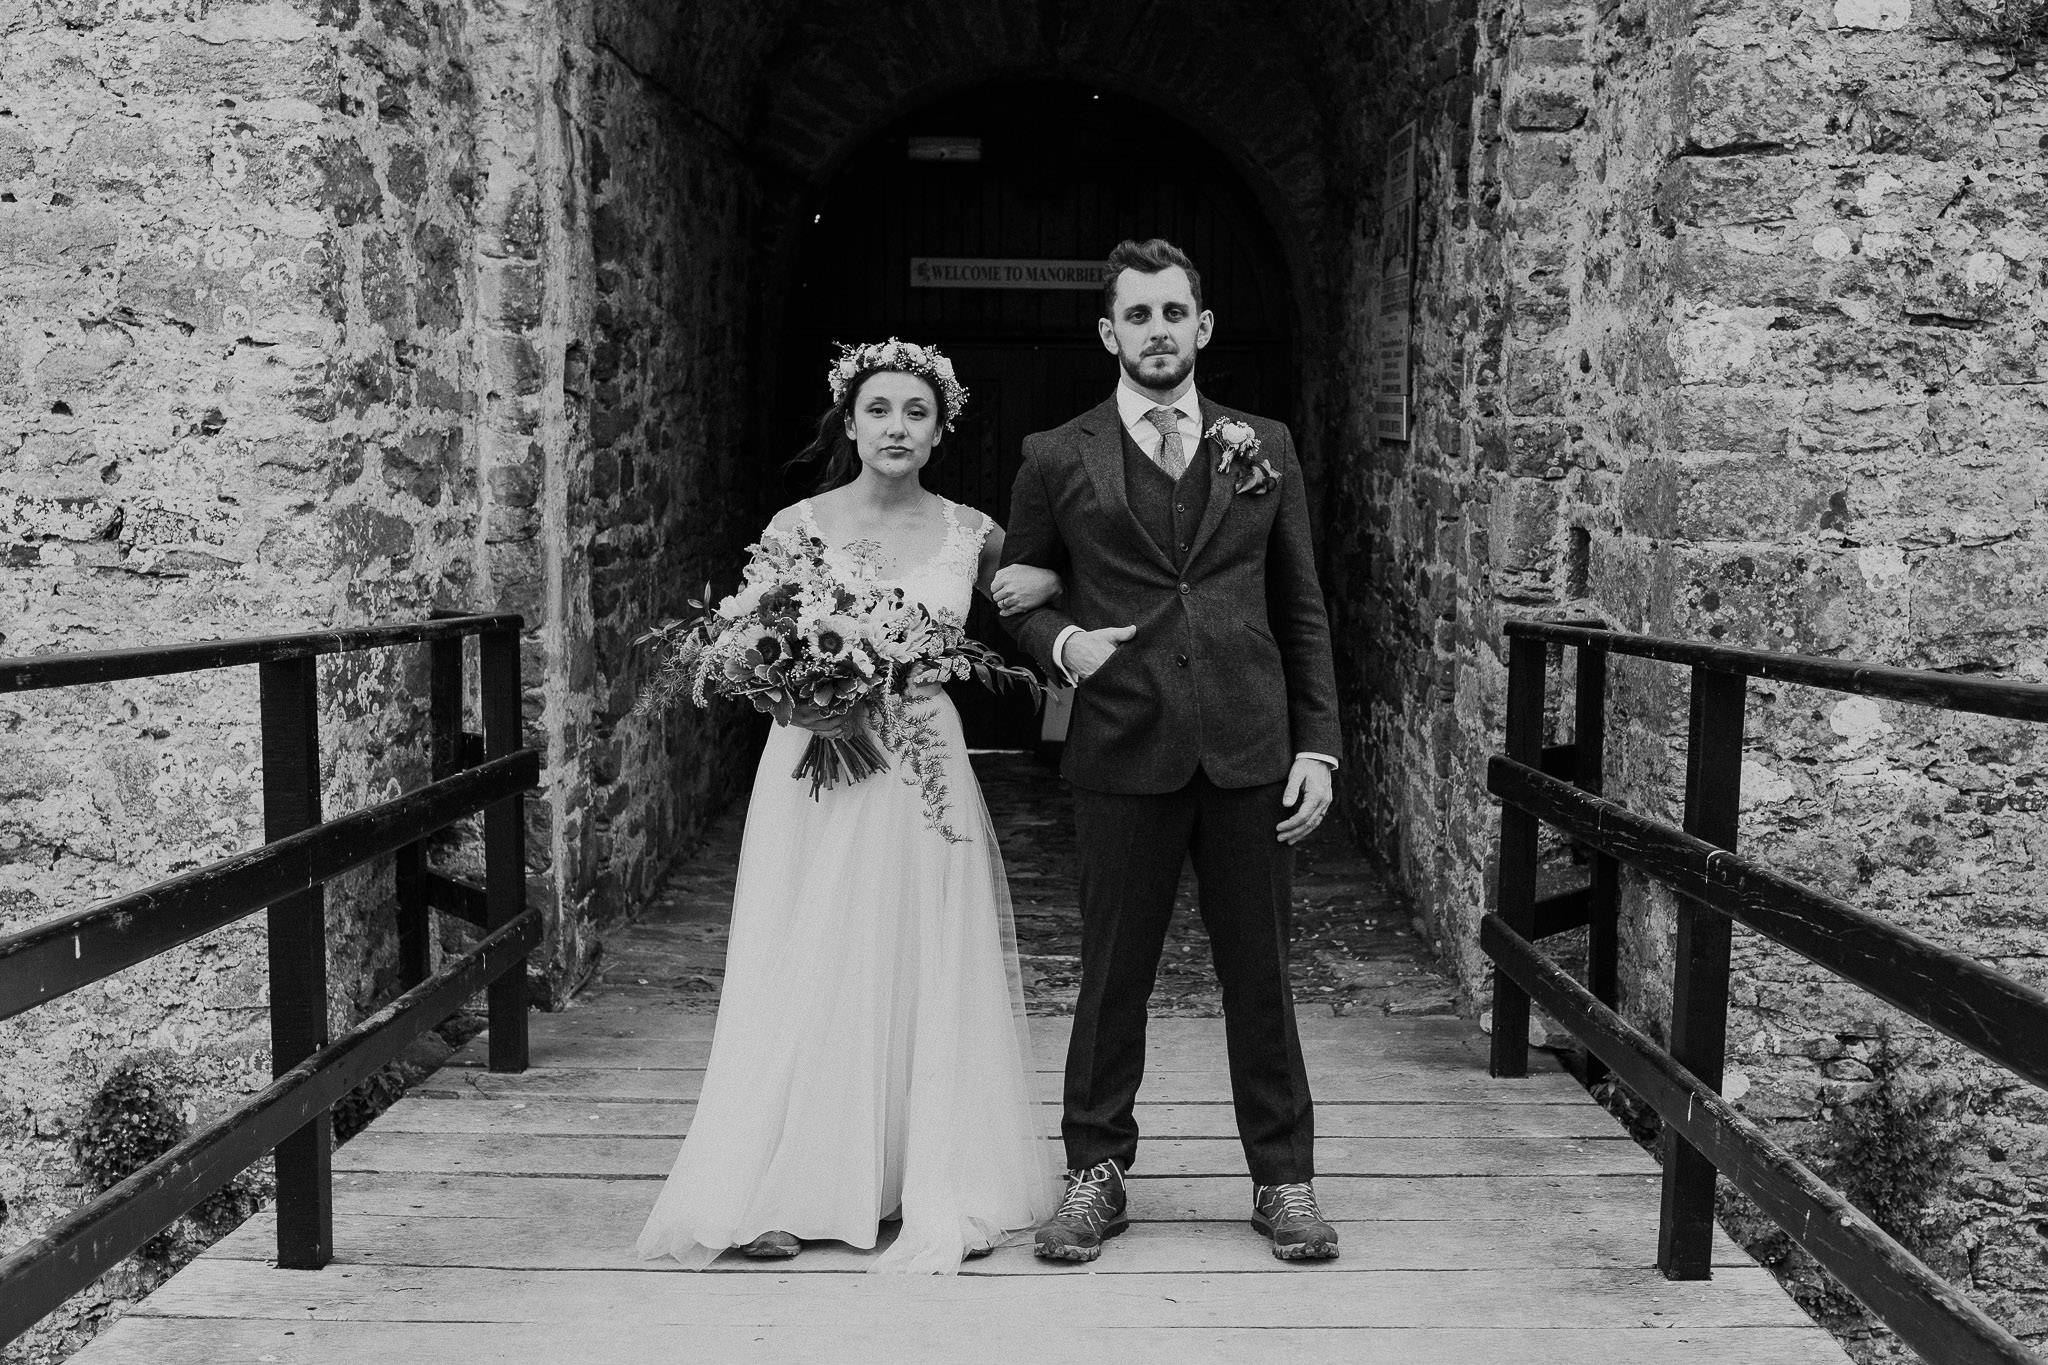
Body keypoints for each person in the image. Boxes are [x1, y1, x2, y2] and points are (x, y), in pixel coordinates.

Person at [635, 338, 1063, 1273]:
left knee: (919, 947)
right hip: (815, 761)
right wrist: (797, 686)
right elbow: (747, 650)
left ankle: (925, 1173)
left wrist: (1066, 597)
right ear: (851, 421)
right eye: (879, 410)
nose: (896, 428)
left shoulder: (973, 532)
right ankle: (789, 1180)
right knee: (812, 946)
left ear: (941, 429)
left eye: (916, 412)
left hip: (922, 761)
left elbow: (1041, 589)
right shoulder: (797, 525)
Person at [1000, 238, 1344, 1263]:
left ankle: (1282, 1178)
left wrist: (1318, 747)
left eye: (1171, 313)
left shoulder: (1262, 443)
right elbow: (1018, 593)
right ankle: (1094, 1173)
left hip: (1249, 748)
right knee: (1111, 973)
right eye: (1135, 315)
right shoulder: (1054, 456)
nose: (1155, 331)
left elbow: (1301, 607)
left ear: (1200, 326)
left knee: (1261, 975)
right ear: (1109, 333)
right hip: (1120, 746)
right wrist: (1063, 644)